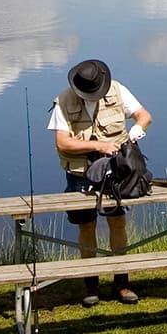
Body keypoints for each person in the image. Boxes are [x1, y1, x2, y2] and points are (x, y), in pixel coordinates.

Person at [47, 59, 153, 307]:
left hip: (115, 174)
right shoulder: (63, 101)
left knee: (118, 222)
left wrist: (138, 128)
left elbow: (144, 115)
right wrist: (97, 145)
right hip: (79, 176)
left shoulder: (118, 90)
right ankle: (91, 285)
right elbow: (62, 143)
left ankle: (121, 282)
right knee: (86, 227)